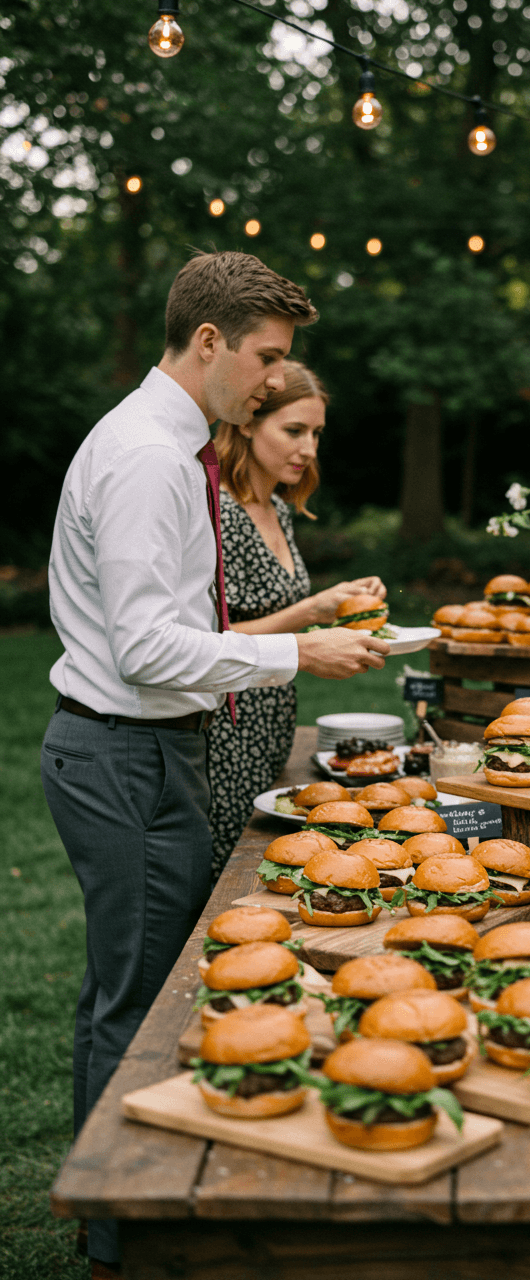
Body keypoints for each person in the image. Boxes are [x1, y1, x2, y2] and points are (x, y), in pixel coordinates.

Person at [40, 251, 389, 1278]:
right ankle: (122, 1238)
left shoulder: (170, 442)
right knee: (144, 1006)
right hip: (127, 756)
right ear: (208, 342)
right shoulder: (149, 455)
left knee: (127, 990)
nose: (274, 381)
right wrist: (298, 649)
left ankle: (108, 1206)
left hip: (148, 749)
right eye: (266, 358)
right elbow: (150, 649)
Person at [207, 359, 386, 879]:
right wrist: (314, 610)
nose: (308, 449)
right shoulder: (217, 511)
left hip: (272, 720)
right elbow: (211, 638)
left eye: (316, 433)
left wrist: (347, 604)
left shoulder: (280, 510)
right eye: (293, 430)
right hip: (224, 728)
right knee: (228, 875)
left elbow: (277, 614)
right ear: (246, 422)